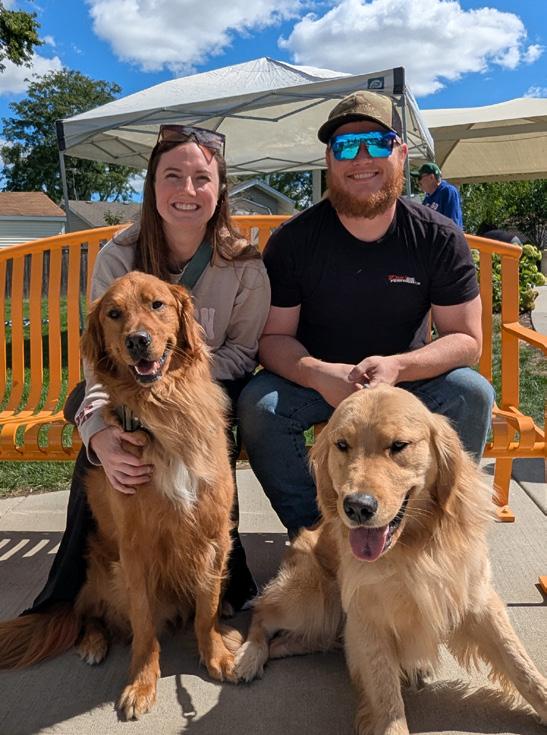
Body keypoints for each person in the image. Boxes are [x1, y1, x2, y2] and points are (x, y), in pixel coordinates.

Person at [28, 124, 271, 616]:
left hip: (209, 383)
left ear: (220, 188)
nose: (187, 190)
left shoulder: (244, 263)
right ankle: (69, 593)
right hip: (126, 384)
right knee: (100, 431)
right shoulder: (119, 255)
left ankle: (228, 572)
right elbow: (97, 361)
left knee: (212, 422)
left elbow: (244, 352)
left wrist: (180, 376)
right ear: (152, 186)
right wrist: (98, 437)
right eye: (172, 176)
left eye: (201, 178)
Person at [237, 90, 495, 538]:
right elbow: (273, 339)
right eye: (344, 146)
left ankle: (436, 531)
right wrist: (321, 374)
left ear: (401, 154)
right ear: (328, 160)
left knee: (471, 392)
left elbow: (467, 340)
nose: (360, 158)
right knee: (260, 408)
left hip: (408, 382)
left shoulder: (436, 237)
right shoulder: (294, 241)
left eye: (377, 143)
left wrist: (399, 367)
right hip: (319, 382)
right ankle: (323, 540)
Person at [413, 162, 463, 228]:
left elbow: (451, 225)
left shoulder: (448, 191)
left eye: (420, 178)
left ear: (431, 177)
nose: (418, 182)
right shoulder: (427, 198)